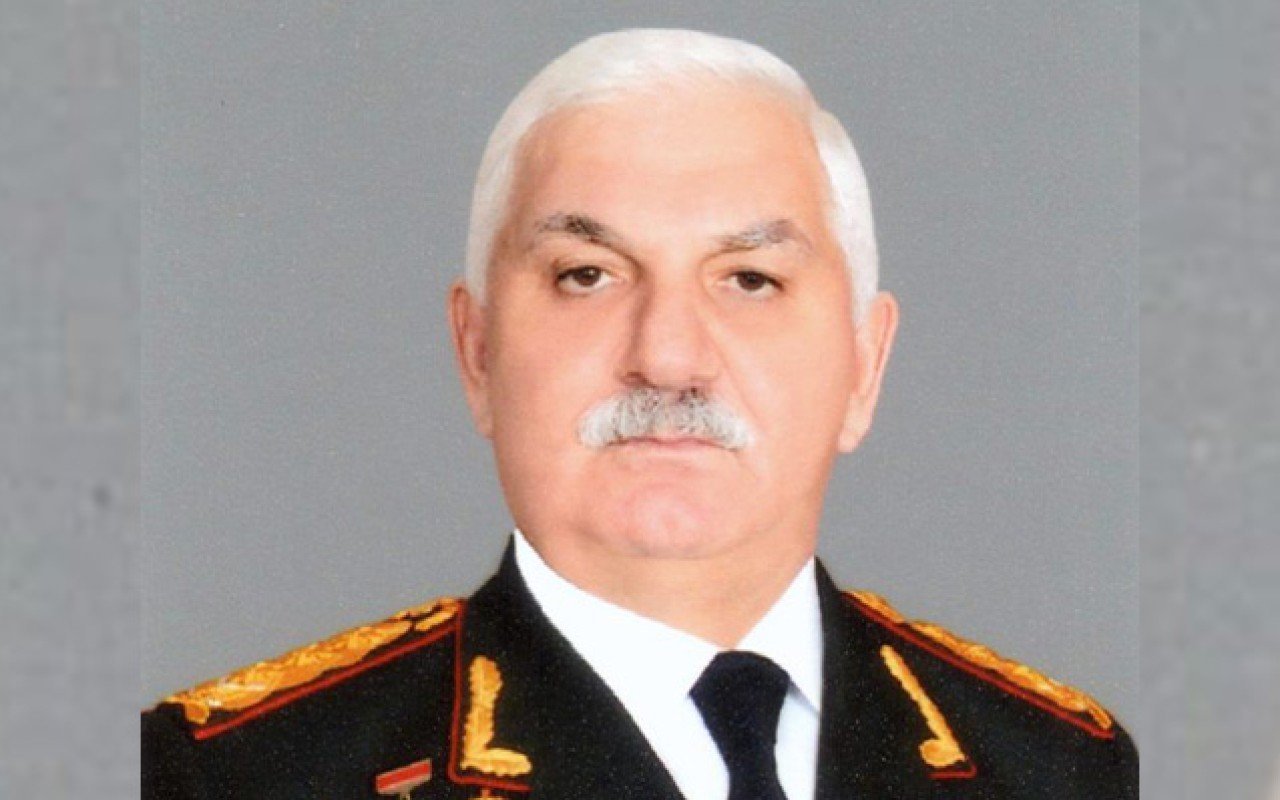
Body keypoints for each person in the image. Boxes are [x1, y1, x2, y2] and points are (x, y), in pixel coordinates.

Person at [142, 28, 1138, 799]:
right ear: (477, 352)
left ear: (864, 366)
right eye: (587, 274)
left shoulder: (1061, 770)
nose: (667, 355)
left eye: (748, 279)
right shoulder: (236, 776)